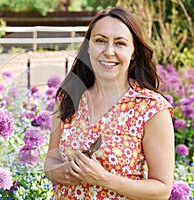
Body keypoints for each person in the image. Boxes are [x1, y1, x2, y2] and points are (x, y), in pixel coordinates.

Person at [44, 7, 175, 200]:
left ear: (133, 53)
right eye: (100, 41)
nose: (108, 51)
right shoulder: (68, 97)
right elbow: (51, 160)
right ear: (88, 47)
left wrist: (103, 179)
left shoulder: (151, 108)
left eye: (120, 43)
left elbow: (162, 191)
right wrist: (58, 172)